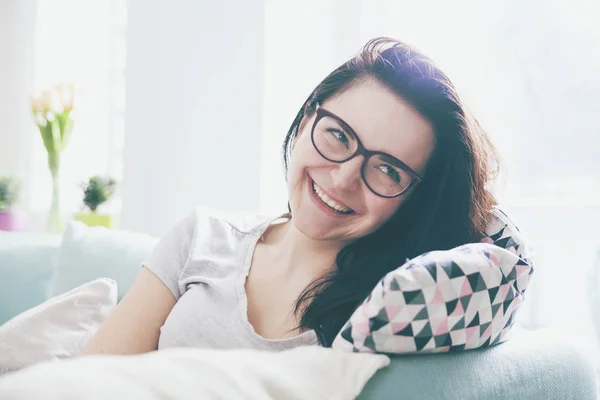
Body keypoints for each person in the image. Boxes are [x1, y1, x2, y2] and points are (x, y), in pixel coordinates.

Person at [84, 37, 500, 354]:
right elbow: (93, 382)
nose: (342, 179)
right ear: (305, 121)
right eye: (338, 136)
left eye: (388, 170)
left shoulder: (393, 311)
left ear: (414, 196)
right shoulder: (202, 237)